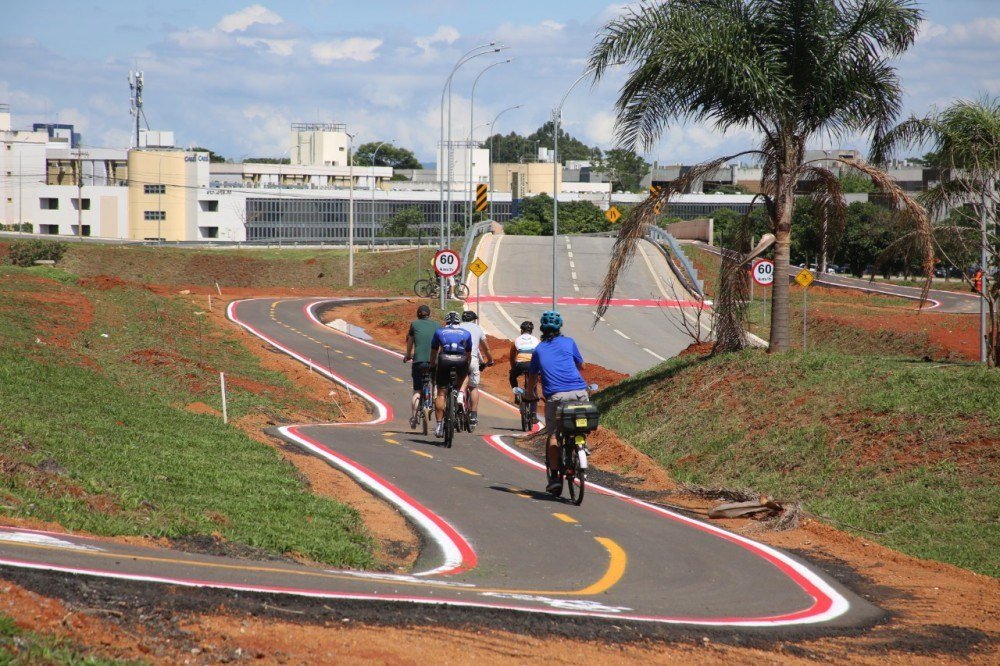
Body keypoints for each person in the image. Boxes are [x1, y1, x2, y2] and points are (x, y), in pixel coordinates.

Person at [525, 310, 589, 495]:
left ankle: (554, 478)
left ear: (542, 329)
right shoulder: (569, 342)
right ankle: (581, 445)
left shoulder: (538, 350)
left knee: (553, 434)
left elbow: (532, 376)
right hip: (580, 394)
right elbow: (582, 366)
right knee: (579, 425)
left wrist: (529, 394)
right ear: (560, 327)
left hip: (556, 397)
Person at [430, 311, 472, 438]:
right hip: (461, 359)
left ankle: (438, 426)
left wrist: (432, 366)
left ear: (446, 321)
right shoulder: (466, 333)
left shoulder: (439, 332)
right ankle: (460, 394)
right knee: (465, 376)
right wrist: (467, 367)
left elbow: (434, 351)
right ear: (459, 322)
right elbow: (468, 354)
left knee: (441, 393)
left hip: (444, 360)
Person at [403, 304, 439, 429]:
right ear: (429, 315)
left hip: (419, 362)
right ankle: (435, 399)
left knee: (417, 391)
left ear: (417, 314)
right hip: (434, 362)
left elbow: (410, 342)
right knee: (437, 385)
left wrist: (408, 355)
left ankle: (414, 418)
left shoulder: (414, 324)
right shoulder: (437, 325)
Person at [458, 310, 493, 429]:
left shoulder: (457, 327)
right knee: (473, 387)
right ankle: (473, 416)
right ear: (474, 320)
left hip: (456, 358)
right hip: (471, 359)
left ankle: (455, 402)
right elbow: (485, 348)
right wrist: (490, 360)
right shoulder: (477, 329)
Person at [508, 320, 539, 402]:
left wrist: (513, 368)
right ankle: (533, 393)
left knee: (512, 377)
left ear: (521, 331)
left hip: (520, 364)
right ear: (531, 331)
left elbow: (511, 357)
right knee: (535, 377)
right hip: (533, 364)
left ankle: (517, 394)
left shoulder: (516, 340)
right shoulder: (536, 340)